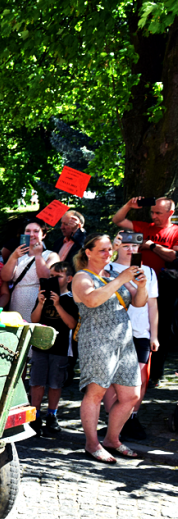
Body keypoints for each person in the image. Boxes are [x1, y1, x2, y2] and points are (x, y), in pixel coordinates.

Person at [72, 234, 147, 463]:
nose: (108, 254)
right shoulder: (82, 277)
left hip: (123, 340)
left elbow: (139, 302)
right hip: (96, 339)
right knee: (95, 393)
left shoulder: (115, 275)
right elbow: (92, 300)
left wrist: (141, 286)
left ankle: (112, 440)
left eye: (109, 250)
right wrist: (121, 279)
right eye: (103, 250)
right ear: (88, 252)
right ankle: (92, 444)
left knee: (131, 395)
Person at [112, 196, 178, 387]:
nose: (154, 216)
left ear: (170, 213)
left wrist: (150, 245)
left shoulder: (175, 231)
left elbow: (173, 256)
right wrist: (128, 205)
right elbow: (117, 220)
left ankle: (155, 374)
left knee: (161, 328)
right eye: (152, 212)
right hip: (135, 279)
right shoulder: (144, 226)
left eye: (158, 213)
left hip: (165, 284)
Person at [105, 231, 159, 440]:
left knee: (140, 379)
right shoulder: (107, 268)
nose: (130, 249)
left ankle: (132, 418)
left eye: (134, 245)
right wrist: (112, 250)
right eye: (125, 245)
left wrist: (154, 335)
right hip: (113, 332)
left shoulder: (149, 272)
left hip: (140, 332)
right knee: (111, 379)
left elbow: (153, 305)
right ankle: (113, 421)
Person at [29, 261, 78, 436]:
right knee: (37, 381)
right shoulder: (43, 296)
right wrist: (41, 303)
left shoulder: (71, 299)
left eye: (58, 276)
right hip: (40, 345)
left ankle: (52, 414)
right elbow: (33, 320)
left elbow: (72, 323)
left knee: (56, 383)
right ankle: (34, 415)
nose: (53, 279)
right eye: (50, 276)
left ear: (69, 278)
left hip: (61, 348)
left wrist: (58, 305)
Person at [1, 219, 60, 322]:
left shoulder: (51, 255)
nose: (31, 234)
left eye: (36, 231)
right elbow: (5, 277)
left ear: (43, 235)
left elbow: (46, 277)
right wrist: (13, 257)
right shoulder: (18, 255)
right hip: (16, 300)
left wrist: (38, 255)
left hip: (37, 301)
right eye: (28, 231)